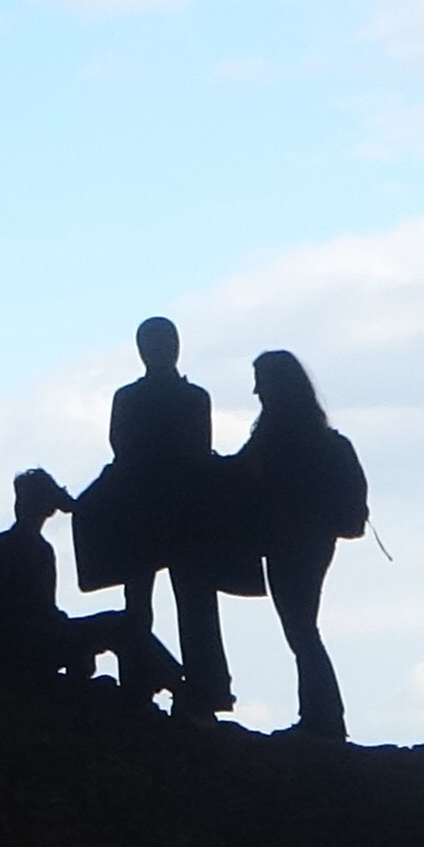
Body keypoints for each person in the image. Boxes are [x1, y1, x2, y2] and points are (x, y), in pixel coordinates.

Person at [74, 317, 246, 719]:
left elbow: (122, 448)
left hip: (142, 511)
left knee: (148, 600)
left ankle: (143, 680)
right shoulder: (193, 398)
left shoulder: (130, 398)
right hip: (183, 512)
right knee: (193, 602)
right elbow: (197, 451)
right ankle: (204, 687)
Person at [0, 469, 185, 703]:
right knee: (119, 624)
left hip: (27, 642)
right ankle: (168, 688)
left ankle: (157, 686)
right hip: (28, 645)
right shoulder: (12, 550)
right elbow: (30, 610)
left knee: (120, 624)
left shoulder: (17, 549)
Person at [232, 349, 366, 740]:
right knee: (302, 625)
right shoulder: (310, 436)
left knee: (300, 627)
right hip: (313, 541)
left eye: (261, 381)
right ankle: (322, 716)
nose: (256, 390)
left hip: (288, 541)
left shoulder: (275, 437)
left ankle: (323, 718)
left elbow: (240, 473)